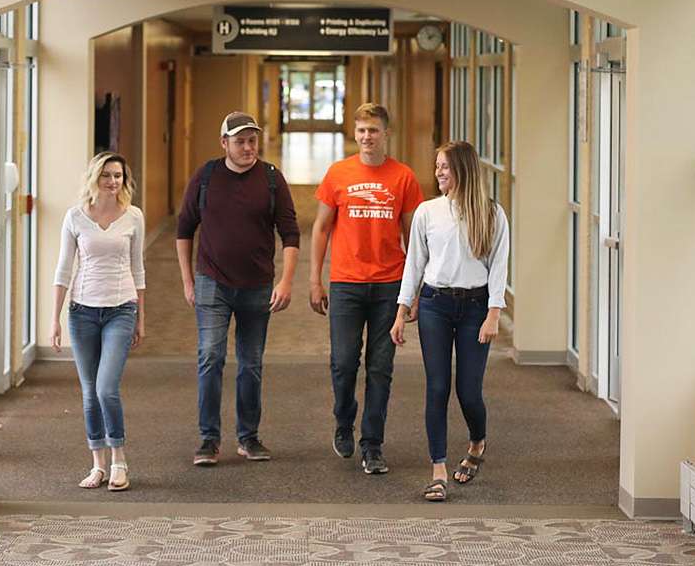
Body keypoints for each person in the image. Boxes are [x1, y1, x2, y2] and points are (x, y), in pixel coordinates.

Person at [176, 111, 300, 466]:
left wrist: (287, 280)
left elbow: (290, 233)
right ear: (224, 143)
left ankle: (248, 437)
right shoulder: (206, 176)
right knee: (210, 357)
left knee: (250, 364)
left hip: (257, 285)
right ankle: (208, 439)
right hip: (211, 283)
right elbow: (184, 230)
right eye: (240, 141)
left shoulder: (272, 179)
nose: (248, 147)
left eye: (252, 140)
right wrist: (188, 281)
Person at [391, 141, 509, 502]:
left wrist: (493, 313)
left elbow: (498, 267)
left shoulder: (492, 214)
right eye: (436, 166)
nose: (438, 172)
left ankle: (477, 441)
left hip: (475, 308)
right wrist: (401, 308)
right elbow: (415, 262)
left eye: (445, 167)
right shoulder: (428, 212)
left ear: (464, 169)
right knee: (438, 386)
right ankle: (438, 469)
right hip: (434, 306)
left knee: (469, 391)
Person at [310, 103, 423, 474]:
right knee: (343, 363)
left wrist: (414, 290)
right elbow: (322, 228)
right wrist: (315, 279)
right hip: (345, 284)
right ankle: (344, 420)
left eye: (373, 130)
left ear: (386, 134)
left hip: (389, 284)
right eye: (361, 130)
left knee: (380, 368)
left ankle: (372, 444)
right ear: (354, 133)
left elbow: (414, 239)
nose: (366, 137)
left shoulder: (403, 177)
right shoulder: (338, 173)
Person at [51, 153, 145, 492]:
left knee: (107, 387)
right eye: (107, 175)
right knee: (89, 392)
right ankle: (98, 465)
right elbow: (63, 269)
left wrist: (140, 318)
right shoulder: (75, 217)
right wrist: (56, 319)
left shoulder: (133, 216)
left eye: (118, 175)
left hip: (121, 308)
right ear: (95, 178)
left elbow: (138, 269)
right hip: (82, 312)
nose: (113, 181)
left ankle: (119, 459)